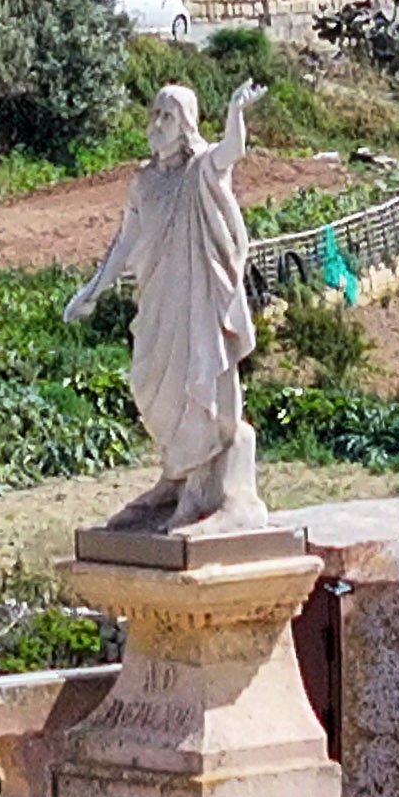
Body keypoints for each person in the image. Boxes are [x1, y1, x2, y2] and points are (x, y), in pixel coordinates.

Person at [67, 79, 268, 530]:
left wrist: (236, 111)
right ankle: (174, 475)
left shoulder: (200, 169)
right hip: (158, 297)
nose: (157, 125)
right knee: (150, 382)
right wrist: (92, 291)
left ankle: (201, 491)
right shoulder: (144, 181)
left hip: (196, 300)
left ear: (187, 124)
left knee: (194, 381)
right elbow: (126, 241)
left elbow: (230, 151)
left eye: (168, 116)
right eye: (155, 115)